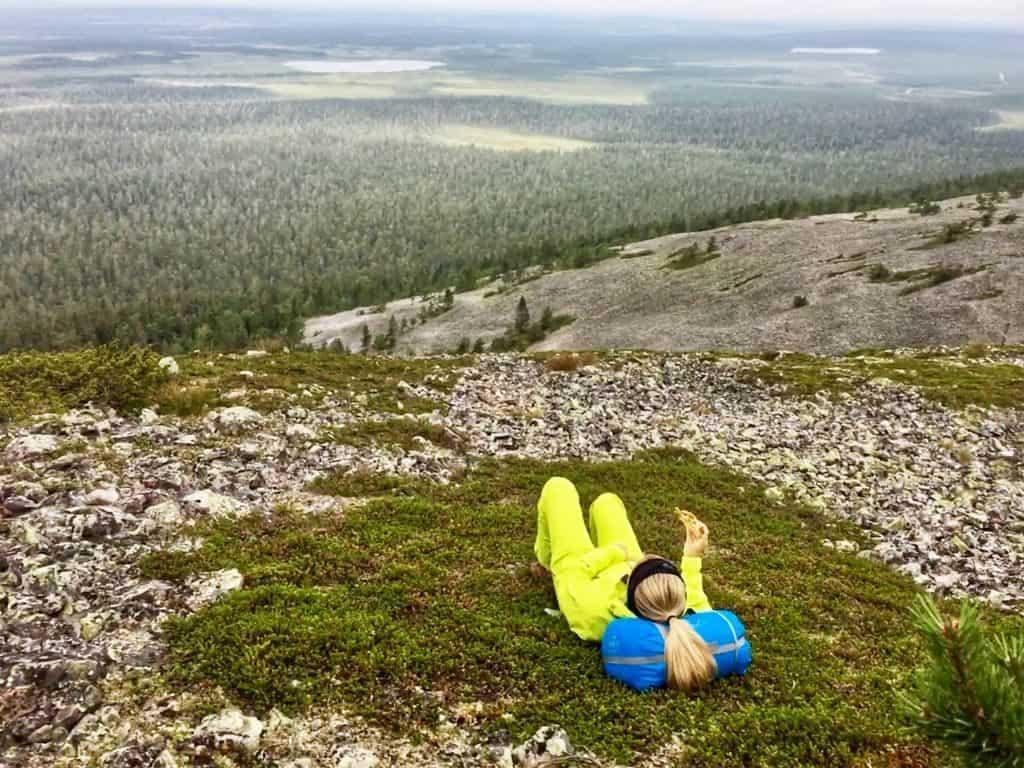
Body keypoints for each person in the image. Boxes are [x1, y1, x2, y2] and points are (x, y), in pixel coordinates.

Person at [533, 476, 717, 692]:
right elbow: (695, 596)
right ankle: (622, 550)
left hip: (587, 567)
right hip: (625, 565)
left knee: (559, 488)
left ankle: (543, 559)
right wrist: (693, 554)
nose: (648, 555)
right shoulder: (679, 613)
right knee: (607, 502)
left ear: (631, 584)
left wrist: (615, 553)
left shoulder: (594, 610)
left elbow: (577, 571)